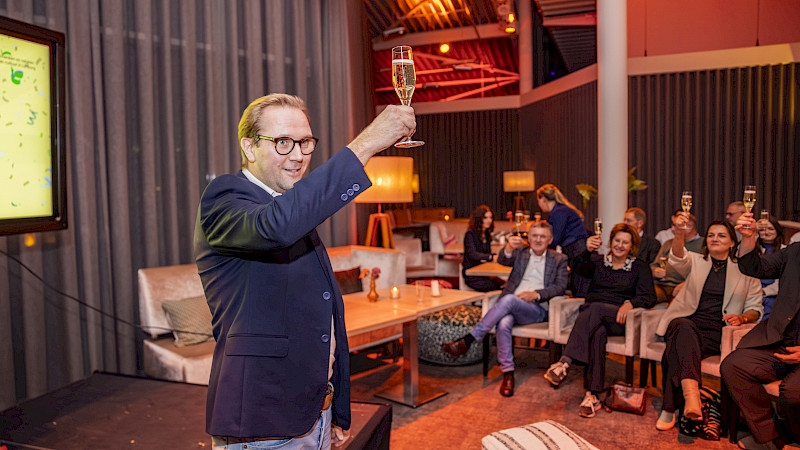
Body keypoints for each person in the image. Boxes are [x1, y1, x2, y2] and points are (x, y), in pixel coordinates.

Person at [194, 94, 416, 449]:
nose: (298, 155)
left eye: (305, 142)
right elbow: (276, 226)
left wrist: (336, 408)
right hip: (265, 422)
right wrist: (367, 144)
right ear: (249, 147)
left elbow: (325, 320)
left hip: (314, 415)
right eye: (283, 142)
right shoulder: (226, 197)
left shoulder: (291, 207)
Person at [653, 217, 762, 431]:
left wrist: (743, 318)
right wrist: (679, 233)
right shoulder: (696, 261)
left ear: (732, 242)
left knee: (673, 351)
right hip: (687, 323)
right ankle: (691, 396)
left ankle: (669, 408)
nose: (714, 239)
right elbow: (677, 257)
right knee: (682, 327)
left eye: (721, 235)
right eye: (711, 235)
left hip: (717, 333)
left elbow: (755, 308)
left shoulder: (746, 270)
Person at [442, 221, 569, 396]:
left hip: (536, 309)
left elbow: (560, 287)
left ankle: (470, 339)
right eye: (534, 235)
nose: (538, 239)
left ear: (550, 239)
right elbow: (503, 259)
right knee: (503, 323)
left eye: (543, 236)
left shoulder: (559, 259)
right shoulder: (521, 253)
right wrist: (508, 247)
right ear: (529, 238)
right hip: (511, 307)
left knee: (508, 299)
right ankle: (508, 373)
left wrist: (536, 294)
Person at [543, 223, 657, 418]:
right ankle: (592, 395)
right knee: (597, 334)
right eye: (617, 240)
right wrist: (586, 250)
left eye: (625, 242)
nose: (620, 245)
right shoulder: (599, 262)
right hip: (593, 318)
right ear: (610, 242)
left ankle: (565, 362)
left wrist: (631, 303)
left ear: (632, 246)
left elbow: (650, 297)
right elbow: (577, 267)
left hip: (618, 318)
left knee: (595, 308)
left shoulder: (639, 267)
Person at [719, 213, 800, 450]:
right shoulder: (794, 252)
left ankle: (787, 435)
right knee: (733, 366)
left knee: (792, 393)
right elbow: (756, 267)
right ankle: (770, 437)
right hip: (781, 342)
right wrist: (748, 237)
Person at [536, 184, 590, 297]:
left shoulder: (559, 212)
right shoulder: (561, 210)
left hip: (578, 253)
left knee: (579, 292)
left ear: (543, 199)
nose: (538, 204)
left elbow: (555, 239)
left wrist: (537, 247)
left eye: (538, 200)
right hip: (578, 251)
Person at [651, 213, 702, 303]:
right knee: (645, 296)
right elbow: (654, 265)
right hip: (661, 285)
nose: (672, 229)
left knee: (676, 305)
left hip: (683, 287)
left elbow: (703, 273)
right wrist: (655, 271)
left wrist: (686, 284)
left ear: (689, 227)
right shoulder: (668, 243)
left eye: (676, 226)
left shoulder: (703, 244)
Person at [462, 205, 505, 292]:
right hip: (472, 275)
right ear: (479, 219)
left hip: (484, 273)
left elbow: (487, 253)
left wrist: (493, 257)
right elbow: (472, 254)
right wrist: (490, 257)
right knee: (502, 286)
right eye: (485, 218)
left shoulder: (487, 235)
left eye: (490, 217)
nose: (489, 220)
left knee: (506, 283)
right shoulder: (470, 234)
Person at [756, 216, 785, 320]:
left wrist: (764, 291)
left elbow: (786, 278)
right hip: (753, 292)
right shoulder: (753, 250)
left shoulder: (785, 250)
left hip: (775, 294)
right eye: (762, 230)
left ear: (777, 230)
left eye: (771, 229)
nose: (767, 232)